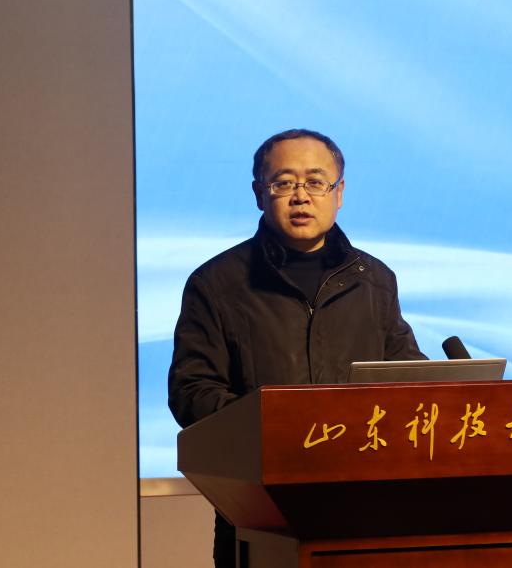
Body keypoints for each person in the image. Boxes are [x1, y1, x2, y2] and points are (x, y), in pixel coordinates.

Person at [167, 129, 426, 567]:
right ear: (259, 194)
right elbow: (191, 392)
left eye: (316, 182)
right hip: (261, 515)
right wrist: (277, 425)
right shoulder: (216, 283)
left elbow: (405, 374)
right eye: (284, 182)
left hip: (363, 508)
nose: (301, 196)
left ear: (339, 193)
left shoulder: (374, 280)